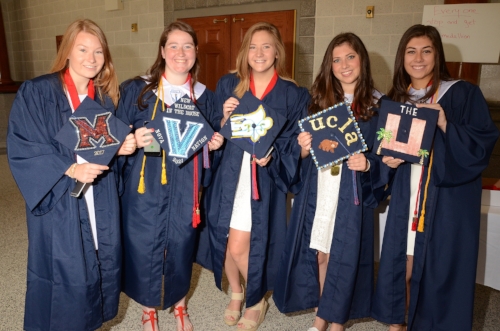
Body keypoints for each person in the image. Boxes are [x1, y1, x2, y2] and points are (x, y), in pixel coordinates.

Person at [7, 19, 136, 331]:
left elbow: (103, 153)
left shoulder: (104, 99)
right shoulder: (39, 92)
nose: (91, 58)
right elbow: (24, 144)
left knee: (99, 263)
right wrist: (70, 167)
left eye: (98, 51)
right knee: (65, 273)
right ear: (67, 51)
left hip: (99, 199)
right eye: (82, 49)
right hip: (61, 199)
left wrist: (121, 149)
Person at [371, 24, 499, 331]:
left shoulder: (462, 93)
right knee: (402, 266)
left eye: (426, 51)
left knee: (437, 270)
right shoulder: (395, 99)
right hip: (407, 194)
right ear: (402, 57)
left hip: (446, 200)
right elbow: (384, 150)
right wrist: (386, 161)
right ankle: (397, 325)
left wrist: (444, 124)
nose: (418, 58)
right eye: (411, 51)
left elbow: (482, 144)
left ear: (437, 55)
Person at [195, 22, 310, 331]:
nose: (259, 53)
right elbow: (215, 133)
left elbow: (296, 142)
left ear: (278, 52)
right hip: (229, 173)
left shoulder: (293, 93)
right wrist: (223, 118)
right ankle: (236, 291)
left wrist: (276, 155)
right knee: (224, 238)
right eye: (253, 47)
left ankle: (257, 298)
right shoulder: (228, 84)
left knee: (239, 245)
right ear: (244, 52)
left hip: (262, 177)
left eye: (267, 46)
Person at [272, 33, 390, 331]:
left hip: (351, 192)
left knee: (343, 256)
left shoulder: (379, 105)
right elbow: (294, 151)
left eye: (350, 57)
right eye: (336, 60)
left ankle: (335, 323)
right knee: (320, 253)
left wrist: (369, 163)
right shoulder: (317, 102)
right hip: (320, 187)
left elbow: (386, 158)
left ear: (362, 59)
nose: (344, 65)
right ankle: (321, 316)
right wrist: (301, 144)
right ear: (329, 65)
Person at [117, 21, 223, 331]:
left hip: (186, 187)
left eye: (187, 46)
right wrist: (133, 138)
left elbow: (213, 139)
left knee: (181, 243)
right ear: (162, 51)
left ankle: (180, 304)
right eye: (173, 45)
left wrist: (216, 143)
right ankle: (148, 308)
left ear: (196, 53)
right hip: (144, 184)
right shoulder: (137, 89)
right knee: (143, 243)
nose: (180, 52)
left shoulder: (206, 96)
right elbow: (118, 133)